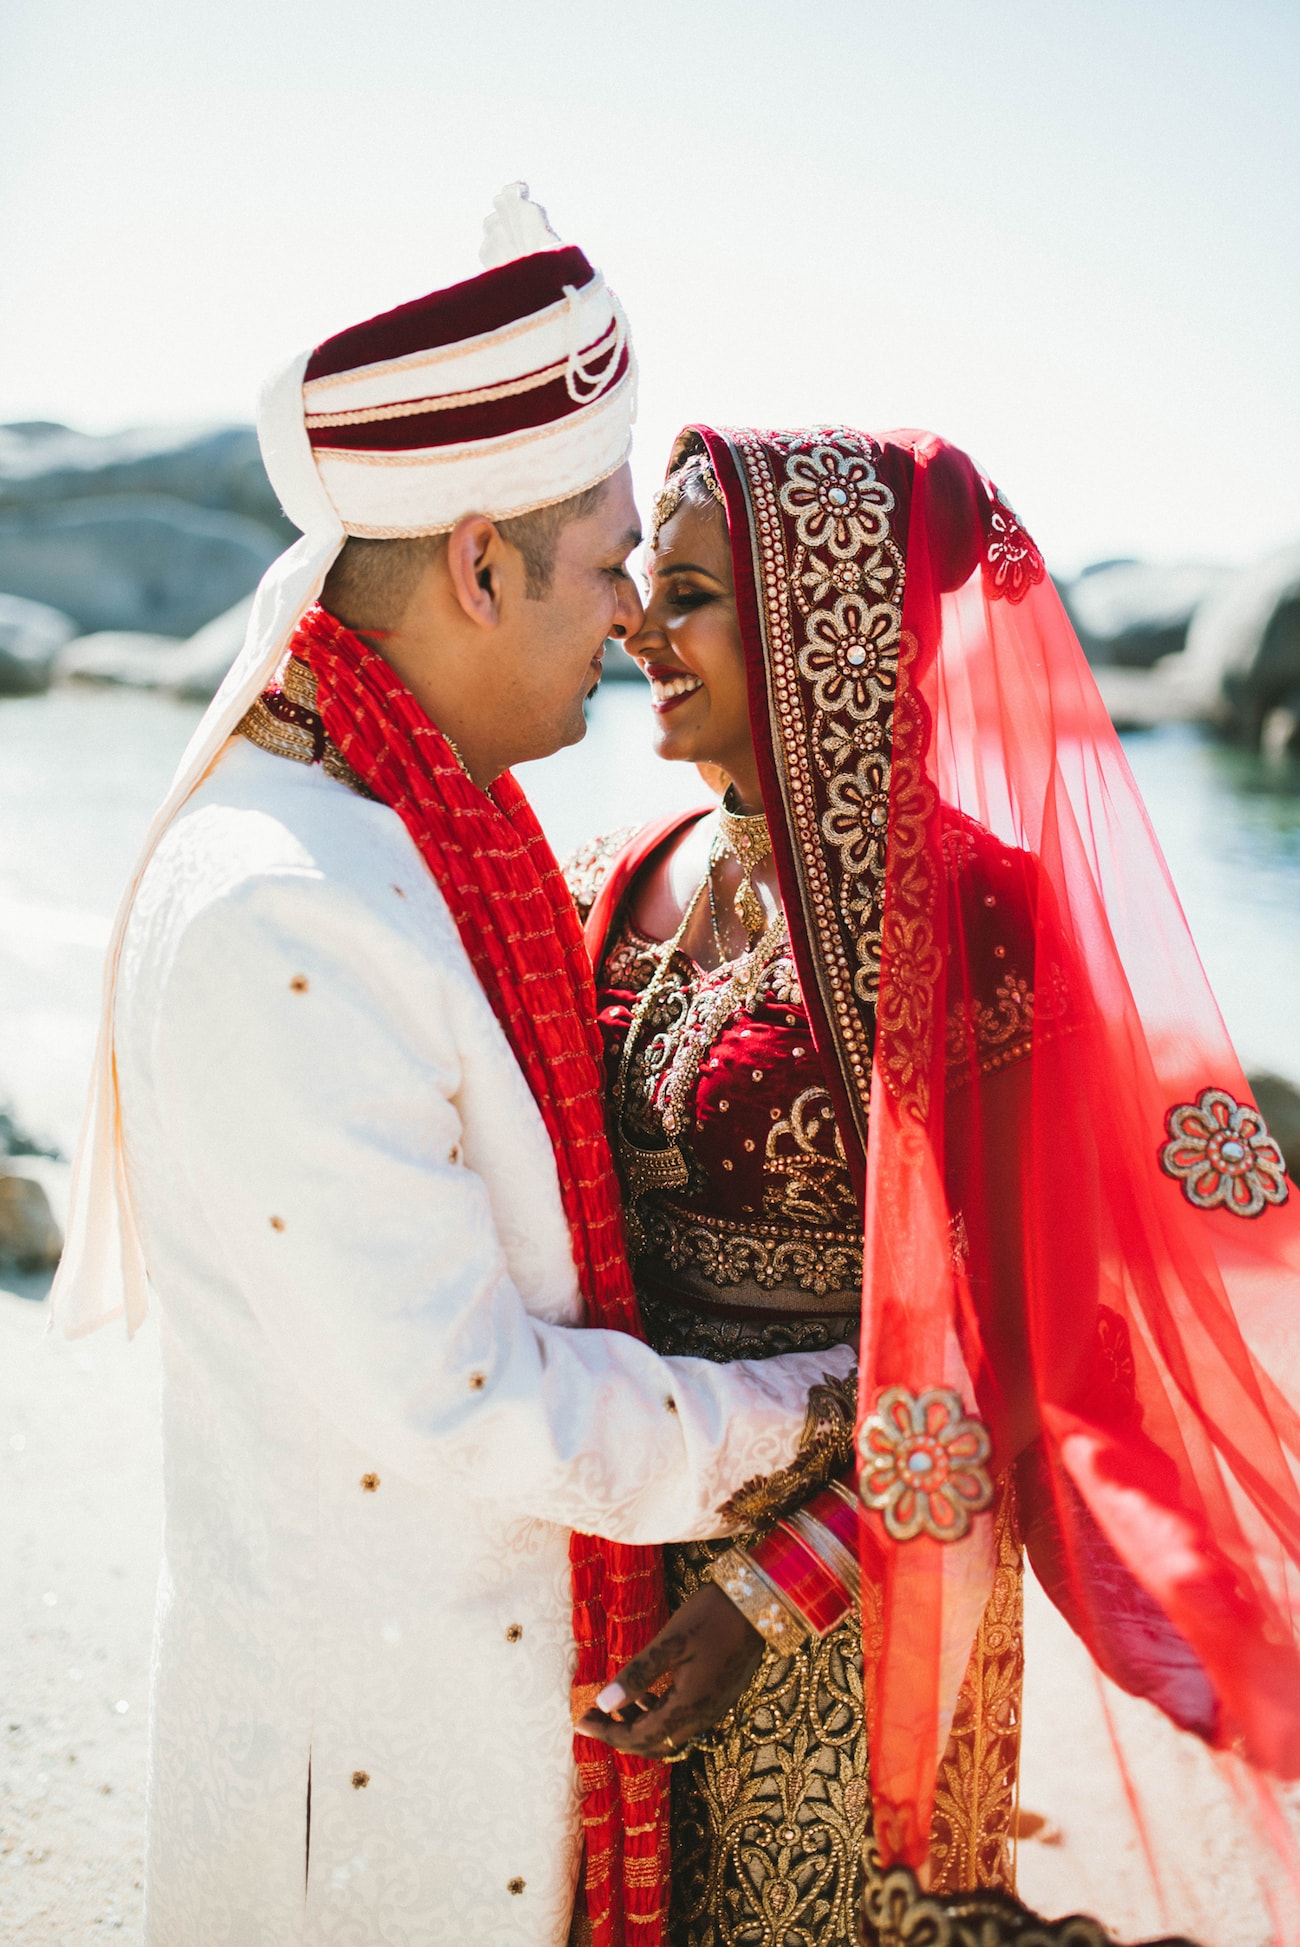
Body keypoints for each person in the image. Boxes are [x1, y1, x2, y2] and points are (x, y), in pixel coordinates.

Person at [48, 200, 858, 1947]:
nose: (636, 616)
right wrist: (816, 1404)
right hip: (383, 1788)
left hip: (463, 1719)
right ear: (480, 567)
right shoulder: (295, 910)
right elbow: (467, 1400)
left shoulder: (417, 825)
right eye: (610, 562)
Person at [572, 427, 1300, 1946]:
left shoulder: (977, 920)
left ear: (821, 626)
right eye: (646, 588)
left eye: (691, 593)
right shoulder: (624, 868)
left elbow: (1031, 1338)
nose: (639, 626)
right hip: (616, 1525)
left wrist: (775, 1591)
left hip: (863, 1584)